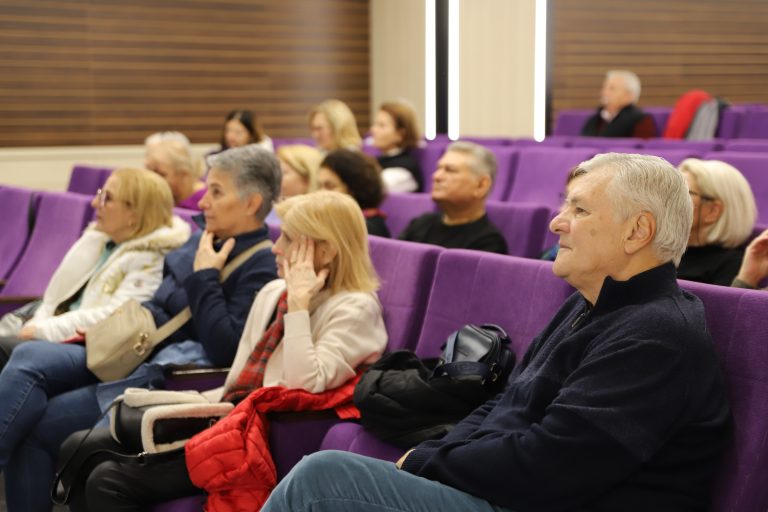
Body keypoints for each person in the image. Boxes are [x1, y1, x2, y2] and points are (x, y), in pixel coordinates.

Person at [261, 152, 732, 512]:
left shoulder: (657, 336)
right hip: (514, 493)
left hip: (546, 501)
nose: (557, 222)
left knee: (324, 480)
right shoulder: (589, 304)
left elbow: (553, 467)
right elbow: (506, 403)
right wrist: (433, 454)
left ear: (637, 231)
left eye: (580, 210)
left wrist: (426, 463)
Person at [62, 190, 388, 511]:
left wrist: (299, 307)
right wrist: (182, 406)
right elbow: (238, 379)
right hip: (226, 422)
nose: (275, 247)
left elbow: (303, 387)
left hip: (258, 442)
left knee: (107, 481)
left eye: (288, 239)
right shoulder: (275, 291)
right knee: (76, 449)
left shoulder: (355, 308)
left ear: (326, 251)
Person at [0, 145, 281, 511]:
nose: (202, 202)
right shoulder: (203, 238)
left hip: (162, 377)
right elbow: (161, 302)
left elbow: (225, 346)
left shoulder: (260, 265)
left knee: (37, 426)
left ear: (251, 203)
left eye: (216, 192)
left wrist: (205, 277)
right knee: (27, 356)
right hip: (133, 348)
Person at [0, 167, 190, 368]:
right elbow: (55, 299)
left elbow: (116, 318)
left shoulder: (152, 259)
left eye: (107, 198)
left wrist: (44, 330)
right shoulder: (100, 240)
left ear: (134, 214)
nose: (95, 203)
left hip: (91, 347)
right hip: (56, 331)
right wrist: (39, 325)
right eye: (100, 194)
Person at [399, 141, 507, 254]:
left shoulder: (488, 243)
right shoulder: (421, 222)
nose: (436, 176)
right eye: (438, 168)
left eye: (450, 170)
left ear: (481, 185)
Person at [677, 158, 757, 286]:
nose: (668, 199)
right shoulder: (662, 251)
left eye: (684, 192)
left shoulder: (733, 265)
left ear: (713, 211)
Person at [318, 149, 390, 238]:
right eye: (319, 186)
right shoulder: (330, 218)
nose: (320, 193)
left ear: (354, 189)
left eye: (330, 186)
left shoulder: (368, 228)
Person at [580, 70, 657, 138]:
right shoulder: (595, 118)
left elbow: (644, 148)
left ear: (628, 95)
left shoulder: (641, 120)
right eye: (604, 87)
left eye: (612, 88)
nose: (604, 92)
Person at [370, 100, 423, 192]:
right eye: (375, 124)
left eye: (381, 126)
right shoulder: (378, 160)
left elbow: (372, 189)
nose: (373, 130)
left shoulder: (404, 169)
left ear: (400, 134)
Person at [144, 131, 207, 209]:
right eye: (150, 172)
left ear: (183, 175)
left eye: (161, 174)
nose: (153, 180)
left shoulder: (204, 201)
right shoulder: (167, 200)